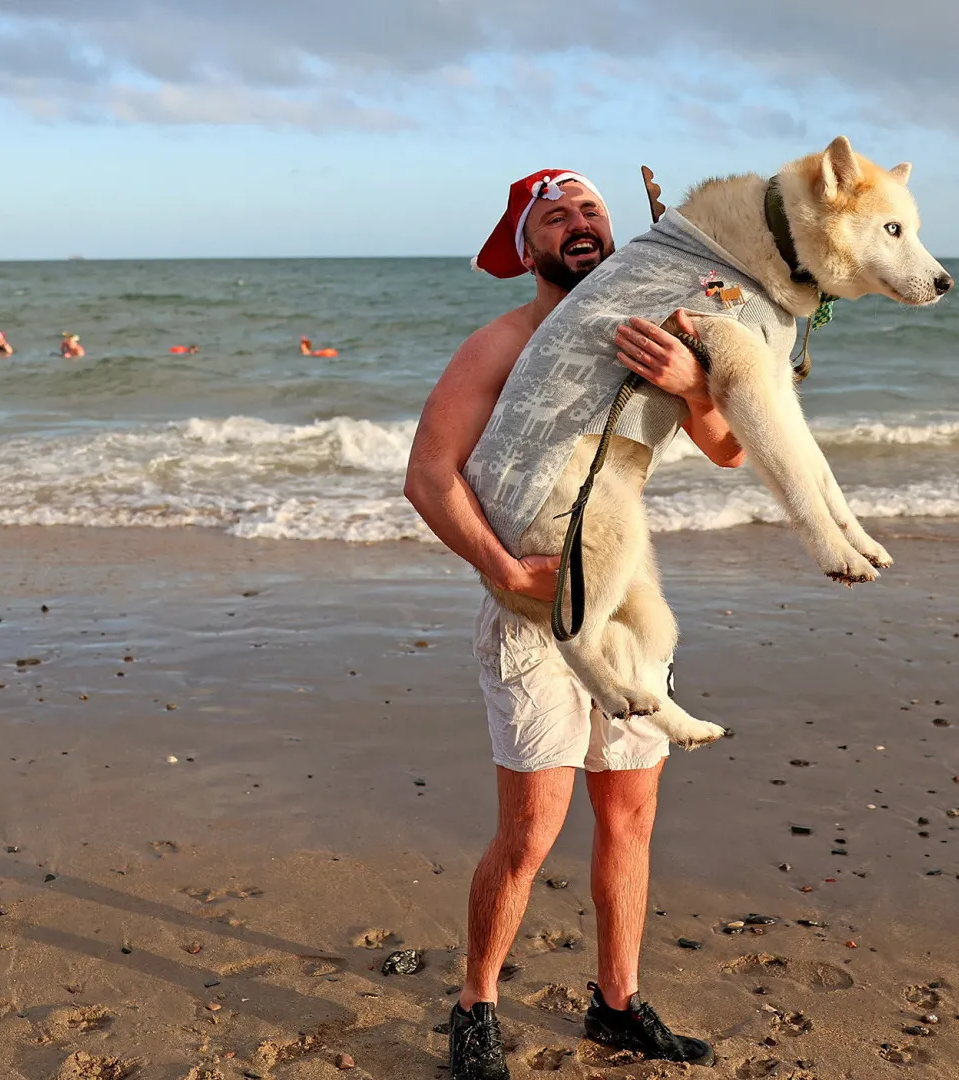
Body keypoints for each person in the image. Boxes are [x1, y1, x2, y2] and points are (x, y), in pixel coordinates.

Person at [404, 170, 742, 1080]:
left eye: (592, 210)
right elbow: (430, 474)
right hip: (529, 615)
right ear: (527, 249)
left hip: (625, 607)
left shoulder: (660, 328)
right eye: (554, 218)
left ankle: (618, 1006)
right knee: (532, 831)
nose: (579, 224)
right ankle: (476, 1005)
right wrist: (505, 569)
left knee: (630, 816)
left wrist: (693, 385)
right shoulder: (502, 343)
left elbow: (730, 447)